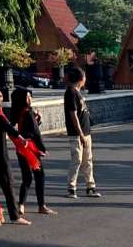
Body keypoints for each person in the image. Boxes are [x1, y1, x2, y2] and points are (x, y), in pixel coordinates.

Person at [0, 85, 31, 225]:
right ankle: (15, 216)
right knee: (9, 184)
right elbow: (7, 126)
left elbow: (8, 124)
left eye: (1, 96)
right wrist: (20, 138)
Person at [11, 87, 56, 216]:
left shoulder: (18, 111)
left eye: (30, 96)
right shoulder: (29, 112)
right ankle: (41, 205)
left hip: (21, 147)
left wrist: (37, 121)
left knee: (27, 177)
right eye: (27, 96)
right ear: (22, 99)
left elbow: (26, 128)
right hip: (31, 148)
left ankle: (21, 204)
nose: (30, 99)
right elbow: (35, 133)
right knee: (39, 176)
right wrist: (42, 148)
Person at [64, 67, 100, 198]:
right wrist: (80, 134)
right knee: (77, 159)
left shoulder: (77, 92)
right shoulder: (70, 93)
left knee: (88, 160)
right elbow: (73, 115)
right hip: (77, 133)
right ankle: (71, 187)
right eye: (84, 77)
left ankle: (90, 187)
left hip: (86, 132)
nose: (85, 79)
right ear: (81, 79)